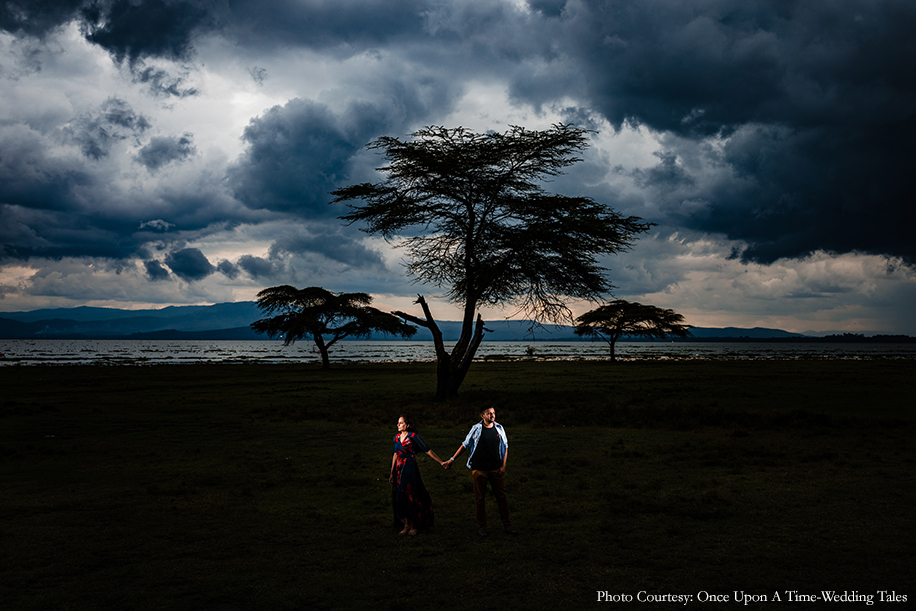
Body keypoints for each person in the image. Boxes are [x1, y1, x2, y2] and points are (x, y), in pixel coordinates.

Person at [443, 405, 517, 536]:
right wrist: (452, 459)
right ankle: (482, 527)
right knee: (480, 499)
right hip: (479, 470)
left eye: (493, 413)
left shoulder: (499, 428)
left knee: (502, 498)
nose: (492, 415)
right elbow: (465, 445)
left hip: (496, 469)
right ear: (482, 415)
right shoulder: (476, 428)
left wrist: (503, 466)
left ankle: (507, 525)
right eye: (489, 413)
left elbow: (505, 447)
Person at [390, 415, 447, 536]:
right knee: (400, 495)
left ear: (407, 424)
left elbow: (427, 450)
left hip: (409, 467)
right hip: (398, 469)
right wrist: (391, 472)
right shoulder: (396, 437)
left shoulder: (413, 437)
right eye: (398, 423)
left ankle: (414, 524)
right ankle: (405, 524)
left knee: (410, 493)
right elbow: (395, 454)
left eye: (400, 423)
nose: (398, 425)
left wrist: (441, 461)